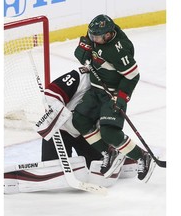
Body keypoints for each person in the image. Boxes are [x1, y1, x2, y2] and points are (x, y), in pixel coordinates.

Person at [72, 14, 156, 181]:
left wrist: (122, 97)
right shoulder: (96, 34)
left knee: (109, 132)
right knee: (79, 120)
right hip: (95, 91)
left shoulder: (119, 49)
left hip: (112, 95)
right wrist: (84, 48)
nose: (93, 38)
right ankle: (108, 152)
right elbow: (81, 55)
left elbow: (132, 76)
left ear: (109, 35)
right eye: (91, 35)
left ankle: (141, 156)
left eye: (96, 37)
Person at [39, 68, 102, 168]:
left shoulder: (116, 85)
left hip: (88, 132)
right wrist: (70, 123)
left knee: (100, 167)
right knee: (54, 172)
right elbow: (50, 97)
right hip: (59, 131)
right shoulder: (81, 76)